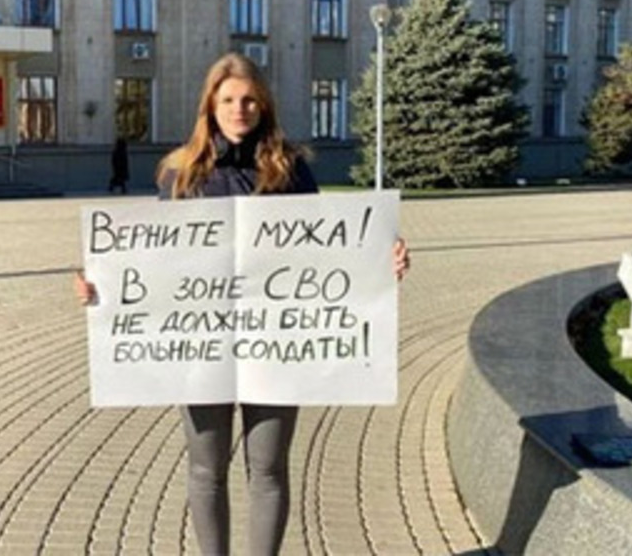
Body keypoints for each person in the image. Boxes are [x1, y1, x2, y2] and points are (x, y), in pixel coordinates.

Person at [73, 52, 410, 555]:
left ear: (264, 104)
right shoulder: (180, 172)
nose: (240, 108)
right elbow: (152, 264)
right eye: (228, 99)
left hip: (275, 342)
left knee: (269, 469)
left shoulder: (291, 170)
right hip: (201, 346)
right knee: (206, 469)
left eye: (250, 99)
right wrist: (101, 285)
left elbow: (330, 254)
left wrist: (381, 263)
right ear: (210, 103)